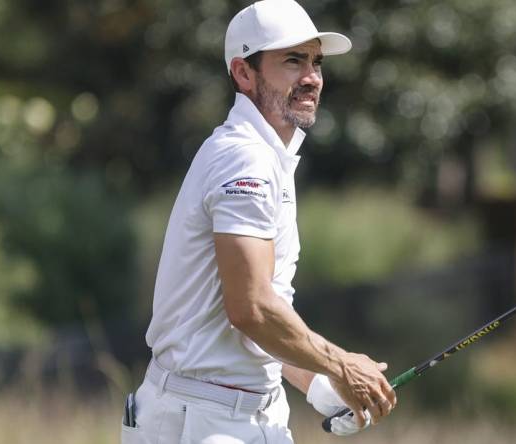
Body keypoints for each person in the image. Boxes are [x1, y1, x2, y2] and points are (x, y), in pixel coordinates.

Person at [121, 1, 397, 442]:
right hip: (205, 420)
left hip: (229, 415)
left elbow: (256, 319)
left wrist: (321, 385)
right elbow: (250, 309)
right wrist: (342, 364)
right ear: (243, 73)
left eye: (316, 62)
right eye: (292, 60)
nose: (311, 77)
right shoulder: (244, 160)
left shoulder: (265, 156)